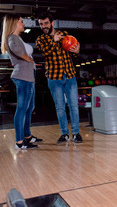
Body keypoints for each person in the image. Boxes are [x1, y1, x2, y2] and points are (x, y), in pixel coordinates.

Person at [36, 13, 83, 144]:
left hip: (70, 75)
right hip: (54, 78)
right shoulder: (40, 39)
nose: (43, 26)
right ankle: (64, 133)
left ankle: (76, 133)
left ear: (52, 23)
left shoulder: (64, 35)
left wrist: (77, 51)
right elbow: (45, 52)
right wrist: (53, 41)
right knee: (60, 107)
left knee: (74, 106)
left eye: (45, 23)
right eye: (41, 24)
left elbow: (73, 55)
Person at [1, 14, 43, 149]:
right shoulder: (12, 38)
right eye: (21, 21)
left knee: (29, 108)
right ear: (14, 23)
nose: (23, 24)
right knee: (22, 109)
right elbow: (16, 49)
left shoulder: (17, 37)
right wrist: (27, 58)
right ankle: (20, 141)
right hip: (23, 77)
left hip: (28, 77)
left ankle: (27, 136)